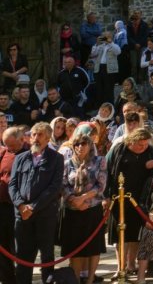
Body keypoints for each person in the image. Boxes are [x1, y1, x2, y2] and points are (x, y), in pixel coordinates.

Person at [9, 122, 63, 284]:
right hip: (22, 216)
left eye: (40, 135)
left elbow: (54, 188)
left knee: (47, 254)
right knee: (23, 255)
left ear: (48, 138)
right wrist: (20, 205)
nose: (35, 139)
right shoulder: (20, 158)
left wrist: (33, 207)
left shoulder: (56, 159)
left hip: (44, 215)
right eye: (33, 135)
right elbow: (13, 185)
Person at [105, 125, 153, 271]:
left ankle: (131, 264)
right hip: (120, 197)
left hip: (141, 199)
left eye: (145, 144)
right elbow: (107, 172)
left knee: (135, 233)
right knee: (120, 233)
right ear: (132, 141)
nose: (143, 147)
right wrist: (107, 195)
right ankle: (120, 266)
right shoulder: (119, 150)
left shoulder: (151, 151)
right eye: (140, 144)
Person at [61, 128, 107, 284]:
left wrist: (84, 199)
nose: (80, 147)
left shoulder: (99, 161)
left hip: (92, 209)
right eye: (77, 144)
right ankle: (75, 278)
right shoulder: (67, 163)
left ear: (89, 145)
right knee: (76, 247)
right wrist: (74, 199)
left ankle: (90, 278)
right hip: (72, 210)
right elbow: (63, 185)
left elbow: (100, 185)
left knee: (93, 246)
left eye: (84, 144)